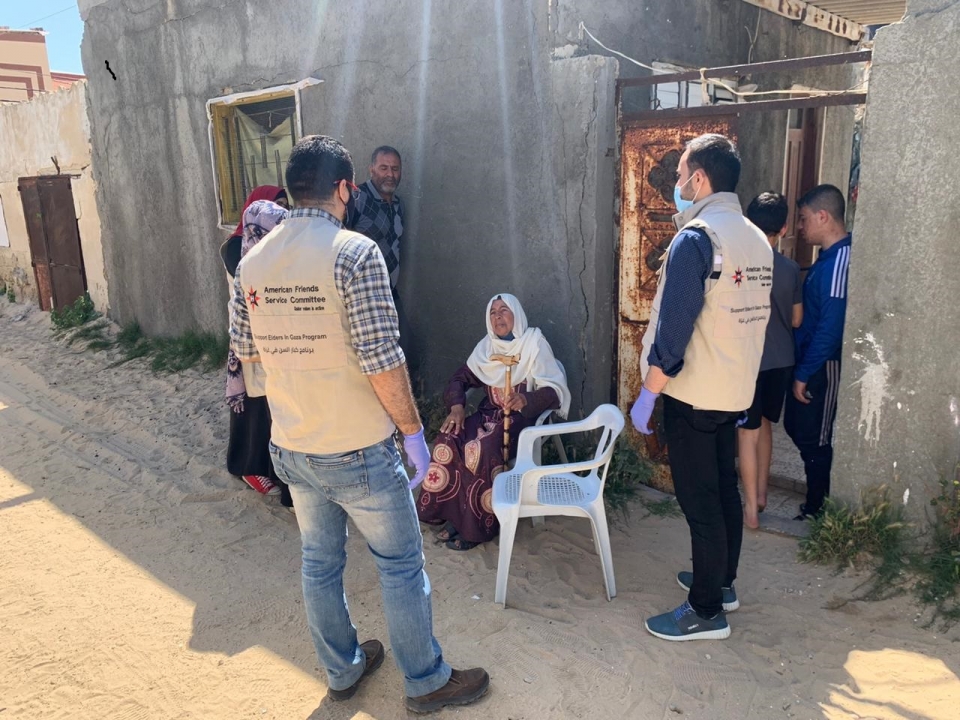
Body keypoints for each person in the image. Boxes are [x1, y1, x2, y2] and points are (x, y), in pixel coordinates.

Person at [229, 135, 489, 713]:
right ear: (345, 188)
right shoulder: (355, 252)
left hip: (292, 446)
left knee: (319, 562)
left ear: (293, 190)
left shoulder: (252, 262)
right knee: (399, 565)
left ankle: (342, 670)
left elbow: (250, 366)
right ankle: (424, 680)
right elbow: (383, 360)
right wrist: (414, 434)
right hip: (358, 449)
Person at [630, 134, 772, 641]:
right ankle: (722, 581)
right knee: (724, 491)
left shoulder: (698, 238)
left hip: (693, 394)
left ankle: (706, 611)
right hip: (734, 391)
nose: (675, 182)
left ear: (700, 179)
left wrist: (649, 392)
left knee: (700, 503)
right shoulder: (755, 238)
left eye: (680, 172)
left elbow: (674, 331)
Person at [417, 294, 570, 550]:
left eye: (504, 310)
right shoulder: (487, 347)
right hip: (488, 415)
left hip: (520, 421)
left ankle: (475, 527)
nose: (498, 316)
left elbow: (555, 390)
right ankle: (452, 514)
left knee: (480, 448)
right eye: (493, 312)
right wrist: (456, 407)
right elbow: (460, 379)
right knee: (449, 437)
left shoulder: (534, 344)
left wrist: (526, 398)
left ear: (516, 315)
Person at [219, 188, 292, 505]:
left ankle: (259, 464)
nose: (281, 213)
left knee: (265, 409)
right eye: (276, 207)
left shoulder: (270, 248)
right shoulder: (238, 248)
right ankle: (249, 466)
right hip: (249, 339)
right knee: (253, 409)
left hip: (264, 338)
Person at [784, 184, 851, 521]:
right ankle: (815, 502)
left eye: (804, 218)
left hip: (823, 366)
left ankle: (818, 507)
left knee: (816, 436)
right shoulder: (826, 260)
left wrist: (804, 372)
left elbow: (831, 326)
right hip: (810, 363)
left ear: (823, 216)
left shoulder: (840, 260)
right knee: (799, 429)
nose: (800, 226)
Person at [739, 192, 803, 529]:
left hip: (748, 361)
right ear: (784, 227)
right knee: (765, 425)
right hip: (781, 360)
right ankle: (763, 494)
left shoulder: (741, 265)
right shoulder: (791, 269)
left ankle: (749, 509)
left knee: (746, 433)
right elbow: (796, 319)